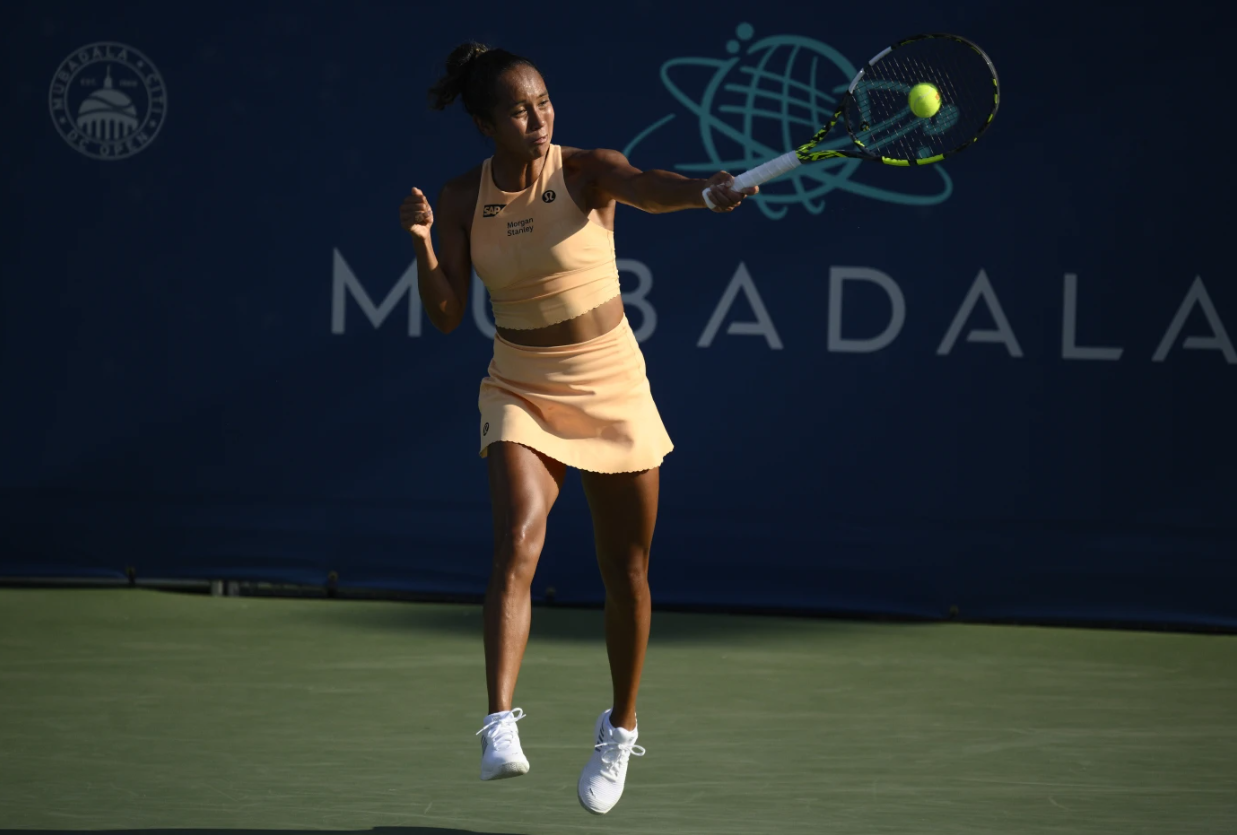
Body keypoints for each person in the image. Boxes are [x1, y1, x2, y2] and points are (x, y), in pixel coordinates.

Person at [400, 41, 756, 815]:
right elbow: (447, 313)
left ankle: (619, 728)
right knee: (517, 540)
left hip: (611, 383)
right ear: (485, 124)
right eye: (518, 111)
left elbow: (647, 186)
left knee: (626, 570)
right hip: (519, 386)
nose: (538, 120)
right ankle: (498, 722)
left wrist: (701, 193)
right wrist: (424, 243)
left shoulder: (587, 169)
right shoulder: (459, 199)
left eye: (543, 103)